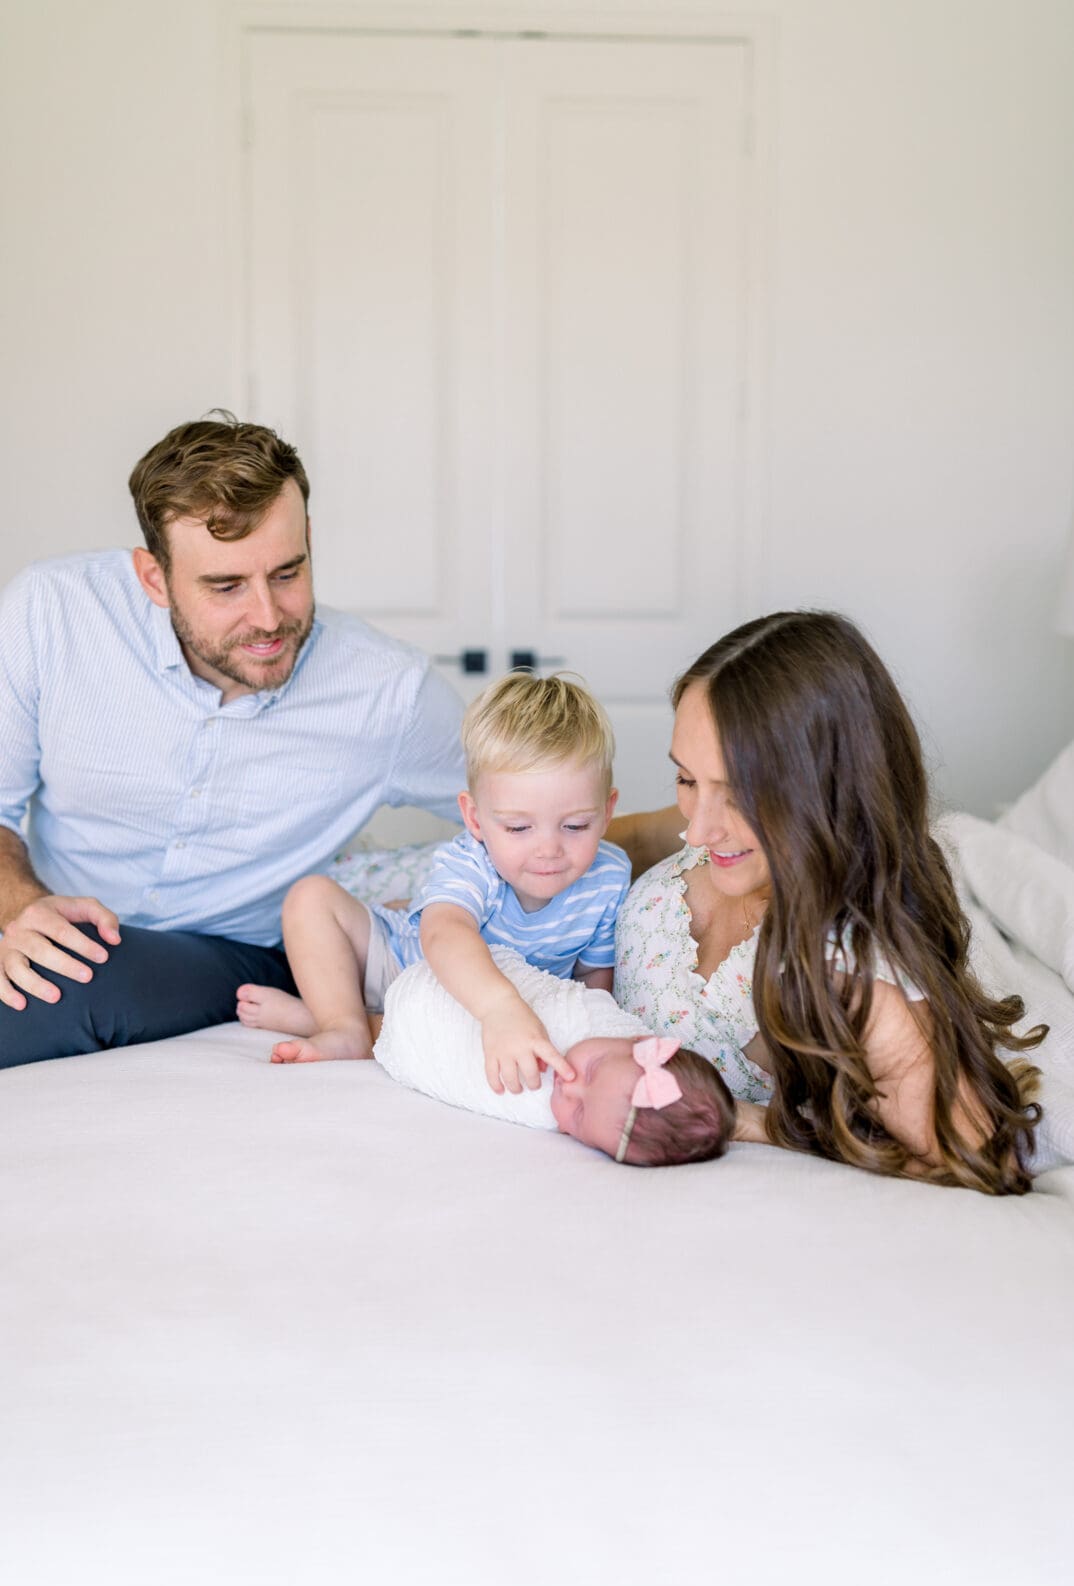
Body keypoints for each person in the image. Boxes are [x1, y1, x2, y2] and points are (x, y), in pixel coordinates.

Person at [0, 413, 465, 1068]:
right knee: (61, 959)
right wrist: (23, 908)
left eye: (287, 572)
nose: (270, 618)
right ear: (154, 578)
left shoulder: (392, 693)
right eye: (226, 586)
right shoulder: (51, 613)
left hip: (230, 948)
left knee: (65, 986)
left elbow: (538, 809)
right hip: (54, 910)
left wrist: (660, 839)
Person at [613, 610, 1045, 1195]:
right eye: (688, 780)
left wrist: (763, 1126)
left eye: (738, 793)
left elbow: (979, 1157)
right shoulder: (722, 834)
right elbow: (626, 839)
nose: (700, 829)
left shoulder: (852, 972)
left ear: (826, 792)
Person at [240, 672, 631, 1088]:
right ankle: (343, 1024)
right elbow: (444, 934)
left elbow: (593, 979)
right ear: (475, 818)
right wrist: (501, 1008)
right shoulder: (473, 863)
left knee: (474, 1040)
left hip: (466, 1011)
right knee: (310, 897)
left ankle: (326, 1018)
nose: (548, 849)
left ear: (606, 812)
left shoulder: (609, 877)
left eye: (575, 826)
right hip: (401, 967)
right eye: (518, 828)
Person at [370, 945, 734, 1167]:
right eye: (591, 1071)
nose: (568, 1087)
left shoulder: (541, 1112)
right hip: (440, 976)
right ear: (636, 1039)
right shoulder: (591, 1017)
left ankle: (351, 1024)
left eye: (577, 1116)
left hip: (409, 1039)